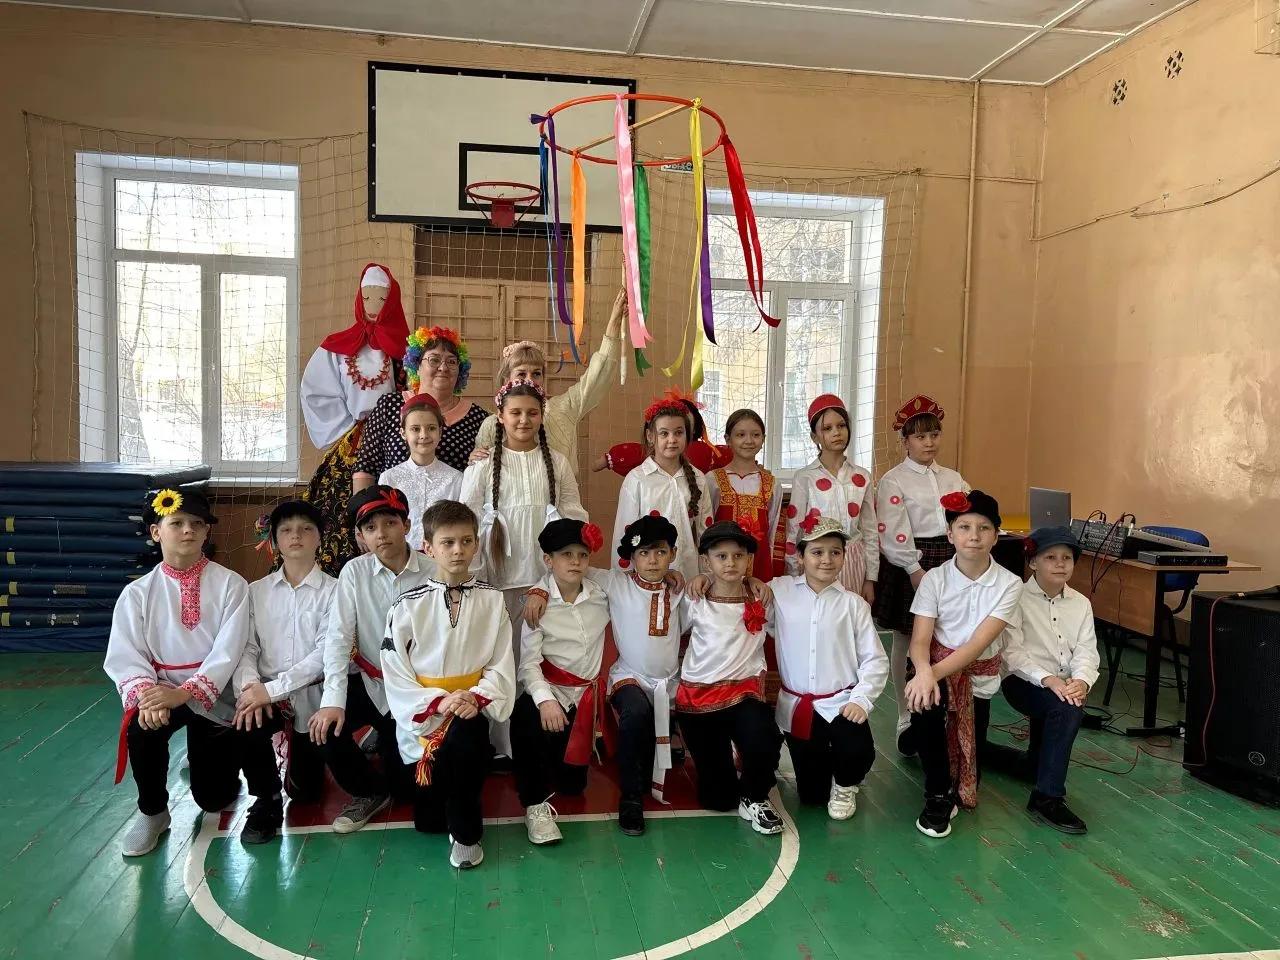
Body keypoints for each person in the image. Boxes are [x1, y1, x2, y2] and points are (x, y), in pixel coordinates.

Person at [104, 488, 269, 856]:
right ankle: (153, 812)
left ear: (207, 532)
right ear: (156, 532)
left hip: (216, 693)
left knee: (215, 799)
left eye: (197, 523)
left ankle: (204, 758)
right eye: (176, 523)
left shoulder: (231, 584)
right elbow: (126, 654)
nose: (188, 530)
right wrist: (147, 697)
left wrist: (185, 693)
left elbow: (230, 649)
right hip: (162, 690)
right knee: (141, 728)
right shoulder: (137, 593)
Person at [381, 500, 516, 869]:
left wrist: (475, 698)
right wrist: (438, 702)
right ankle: (453, 805)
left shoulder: (493, 601)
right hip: (425, 715)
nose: (458, 550)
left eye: (466, 541)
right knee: (428, 822)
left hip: (472, 706)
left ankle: (467, 834)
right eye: (448, 542)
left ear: (476, 545)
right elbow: (394, 668)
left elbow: (501, 662)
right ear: (428, 546)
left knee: (465, 744)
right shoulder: (407, 605)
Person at [308, 484, 434, 834]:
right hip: (370, 682)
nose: (382, 534)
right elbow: (337, 638)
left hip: (414, 690)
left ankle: (386, 741)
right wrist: (333, 702)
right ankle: (368, 791)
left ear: (407, 525)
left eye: (390, 523)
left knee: (408, 791)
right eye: (370, 527)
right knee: (323, 728)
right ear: (361, 536)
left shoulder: (433, 571)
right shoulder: (354, 572)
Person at [903, 490, 1022, 838]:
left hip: (976, 674)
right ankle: (937, 794)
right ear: (950, 533)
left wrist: (931, 674)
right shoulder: (934, 579)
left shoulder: (1010, 584)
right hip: (934, 665)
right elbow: (920, 641)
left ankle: (919, 739)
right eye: (964, 527)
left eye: (984, 528)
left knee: (971, 754)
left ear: (996, 536)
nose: (974, 536)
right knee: (926, 708)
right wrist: (924, 674)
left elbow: (976, 645)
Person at [231, 500, 336, 843]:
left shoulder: (336, 591)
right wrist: (251, 688)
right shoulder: (255, 591)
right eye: (286, 530)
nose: (296, 536)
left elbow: (325, 654)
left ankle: (308, 767)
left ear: (320, 537)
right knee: (246, 720)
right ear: (274, 540)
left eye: (306, 529)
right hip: (264, 694)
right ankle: (266, 798)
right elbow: (247, 648)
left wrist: (273, 689)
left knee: (306, 793)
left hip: (313, 698)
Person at [871, 394, 970, 756]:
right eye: (920, 436)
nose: (929, 442)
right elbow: (893, 530)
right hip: (912, 562)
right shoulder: (894, 481)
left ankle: (943, 711)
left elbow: (968, 516)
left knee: (947, 634)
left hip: (952, 560)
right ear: (905, 441)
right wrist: (914, 568)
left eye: (934, 435)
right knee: (907, 636)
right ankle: (905, 715)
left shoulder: (953, 478)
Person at [770, 516, 888, 821]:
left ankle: (847, 783)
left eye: (835, 552)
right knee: (812, 796)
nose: (826, 559)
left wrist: (861, 700)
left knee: (858, 751)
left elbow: (875, 659)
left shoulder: (854, 604)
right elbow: (744, 593)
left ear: (844, 557)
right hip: (798, 706)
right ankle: (826, 774)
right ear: (800, 556)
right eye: (817, 552)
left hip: (840, 702)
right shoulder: (780, 591)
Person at [676, 521, 784, 836]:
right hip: (699, 701)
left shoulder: (761, 597)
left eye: (738, 556)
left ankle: (755, 795)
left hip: (744, 694)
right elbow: (668, 632)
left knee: (764, 738)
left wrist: (755, 582)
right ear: (706, 561)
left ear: (749, 560)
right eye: (721, 556)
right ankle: (729, 767)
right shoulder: (694, 599)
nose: (730, 563)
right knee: (718, 799)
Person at [300, 263, 409, 573]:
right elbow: (315, 391)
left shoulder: (407, 348)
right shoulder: (336, 347)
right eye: (367, 297)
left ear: (392, 301)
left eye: (381, 298)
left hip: (396, 439)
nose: (373, 305)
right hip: (352, 438)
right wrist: (348, 427)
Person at [511, 519, 610, 846]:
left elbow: (636, 581)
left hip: (583, 701)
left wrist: (674, 575)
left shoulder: (601, 593)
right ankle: (534, 804)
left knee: (572, 787)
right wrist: (545, 700)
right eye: (566, 554)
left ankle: (557, 764)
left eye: (583, 555)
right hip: (552, 692)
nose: (576, 562)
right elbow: (529, 664)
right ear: (548, 560)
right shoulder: (537, 605)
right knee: (524, 715)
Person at [1001, 526, 1098, 834]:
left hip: (1064, 684)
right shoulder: (1016, 598)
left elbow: (1087, 650)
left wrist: (1081, 681)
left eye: (1067, 558)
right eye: (1050, 557)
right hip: (1023, 681)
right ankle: (1046, 798)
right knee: (1067, 709)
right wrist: (1048, 680)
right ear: (1033, 562)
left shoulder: (1081, 603)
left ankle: (1028, 764)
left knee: (1067, 703)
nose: (1060, 564)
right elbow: (1012, 654)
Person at [471, 288, 625, 465]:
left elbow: (597, 377)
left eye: (536, 373)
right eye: (521, 373)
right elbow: (481, 471)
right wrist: (474, 460)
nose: (529, 379)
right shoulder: (492, 425)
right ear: (507, 379)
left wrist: (615, 322)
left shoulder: (564, 408)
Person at [354, 325, 488, 481]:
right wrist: (367, 498)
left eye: (451, 361)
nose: (443, 367)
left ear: (460, 370)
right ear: (416, 366)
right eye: (434, 360)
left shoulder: (478, 418)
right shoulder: (389, 406)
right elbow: (365, 468)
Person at [612, 389, 713, 584]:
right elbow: (624, 534)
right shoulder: (637, 479)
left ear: (688, 435)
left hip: (689, 577)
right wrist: (624, 584)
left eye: (678, 433)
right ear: (650, 436)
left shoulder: (699, 478)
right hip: (648, 578)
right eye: (664, 433)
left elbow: (706, 533)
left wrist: (707, 577)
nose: (672, 440)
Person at [784, 394, 878, 602]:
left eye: (841, 425)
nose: (837, 432)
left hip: (854, 562)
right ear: (814, 437)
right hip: (816, 564)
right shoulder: (804, 477)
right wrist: (793, 575)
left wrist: (870, 578)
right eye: (827, 428)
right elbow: (794, 531)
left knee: (850, 616)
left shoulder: (862, 476)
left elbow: (870, 531)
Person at [378, 393, 463, 551]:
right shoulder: (389, 478)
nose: (424, 435)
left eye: (431, 428)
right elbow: (383, 524)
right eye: (415, 429)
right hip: (400, 557)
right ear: (403, 433)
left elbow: (459, 526)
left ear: (440, 432)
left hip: (441, 558)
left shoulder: (455, 478)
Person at [708, 408, 782, 584]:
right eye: (740, 435)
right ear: (728, 439)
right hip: (721, 569)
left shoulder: (772, 483)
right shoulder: (713, 480)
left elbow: (772, 532)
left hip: (760, 570)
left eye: (755, 435)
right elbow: (706, 527)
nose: (749, 441)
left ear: (763, 439)